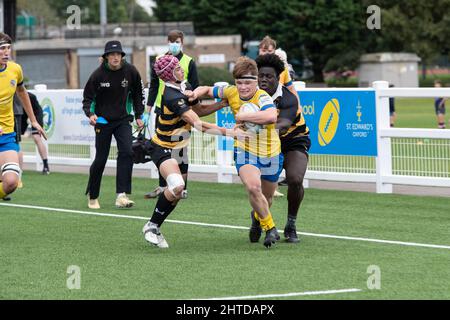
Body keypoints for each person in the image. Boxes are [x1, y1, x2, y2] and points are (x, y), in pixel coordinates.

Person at [142, 54, 247, 248]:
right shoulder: (172, 96)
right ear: (169, 75)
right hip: (163, 147)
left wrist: (219, 104)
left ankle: (155, 226)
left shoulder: (185, 86)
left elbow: (197, 111)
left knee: (177, 193)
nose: (182, 69)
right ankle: (151, 226)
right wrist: (231, 133)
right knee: (177, 186)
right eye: (177, 69)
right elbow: (198, 124)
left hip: (180, 150)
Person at [193, 56, 283, 248]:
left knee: (266, 198)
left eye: (247, 83)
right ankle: (270, 228)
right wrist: (195, 92)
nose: (243, 87)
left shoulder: (263, 97)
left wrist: (244, 115)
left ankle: (257, 218)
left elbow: (271, 116)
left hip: (271, 152)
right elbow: (209, 89)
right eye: (239, 82)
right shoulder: (231, 91)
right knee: (253, 188)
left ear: (256, 81)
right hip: (245, 149)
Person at [82, 40, 145, 209]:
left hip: (123, 119)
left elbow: (139, 94)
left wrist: (139, 114)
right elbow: (88, 98)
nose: (115, 57)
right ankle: (93, 196)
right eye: (112, 54)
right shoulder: (97, 75)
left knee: (127, 152)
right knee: (101, 159)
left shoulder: (131, 71)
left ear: (122, 56)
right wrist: (91, 114)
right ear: (106, 57)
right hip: (102, 121)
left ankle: (121, 195)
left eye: (118, 54)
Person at [255, 53, 311, 243]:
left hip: (293, 139)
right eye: (260, 75)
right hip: (265, 141)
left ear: (278, 78)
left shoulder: (289, 99)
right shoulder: (251, 96)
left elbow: (283, 125)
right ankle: (258, 219)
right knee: (263, 190)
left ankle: (291, 225)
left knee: (295, 179)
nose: (263, 79)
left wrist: (255, 126)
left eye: (268, 76)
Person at [145, 29, 199, 200]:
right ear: (167, 41)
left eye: (177, 41)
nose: (174, 44)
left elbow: (195, 87)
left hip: (182, 109)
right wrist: (148, 109)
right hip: (163, 108)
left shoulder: (189, 62)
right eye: (171, 41)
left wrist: (193, 103)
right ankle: (163, 185)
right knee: (162, 146)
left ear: (182, 43)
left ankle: (183, 187)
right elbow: (154, 85)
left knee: (181, 147)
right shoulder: (160, 61)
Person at [0, 32, 46, 201]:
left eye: (8, 48)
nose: (6, 52)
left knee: (11, 182)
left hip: (5, 136)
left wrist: (34, 121)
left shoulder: (15, 69)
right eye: (2, 48)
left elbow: (21, 91)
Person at [20, 91, 50, 174]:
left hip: (36, 113)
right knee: (15, 138)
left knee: (36, 137)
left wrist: (33, 121)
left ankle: (46, 166)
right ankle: (17, 168)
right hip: (22, 113)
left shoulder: (30, 96)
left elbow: (33, 110)